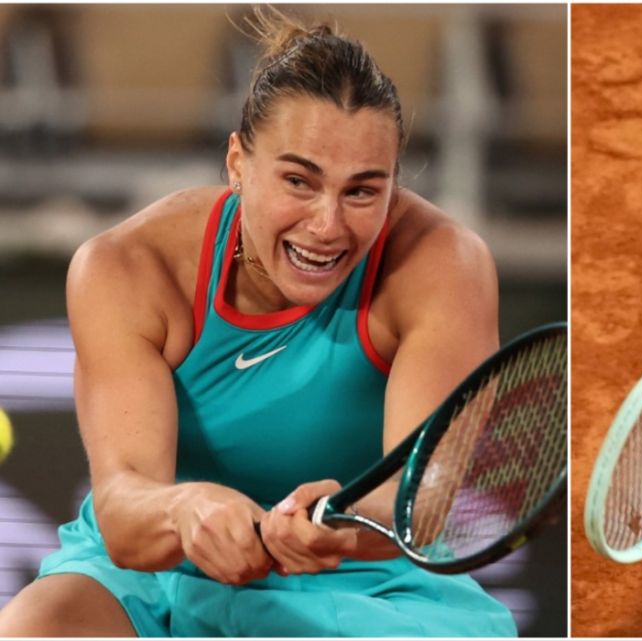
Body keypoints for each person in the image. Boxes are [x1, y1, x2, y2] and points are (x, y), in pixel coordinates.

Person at [0, 8, 517, 637]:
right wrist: (185, 507)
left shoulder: (443, 265)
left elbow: (419, 507)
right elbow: (124, 510)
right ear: (238, 162)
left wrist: (337, 525)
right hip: (161, 568)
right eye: (298, 180)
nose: (327, 225)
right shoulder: (128, 267)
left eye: (362, 191)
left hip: (366, 580)